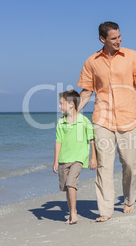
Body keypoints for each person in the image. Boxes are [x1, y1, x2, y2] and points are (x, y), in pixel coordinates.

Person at [77, 21, 136, 222]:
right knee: (104, 166)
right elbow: (87, 90)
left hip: (128, 117)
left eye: (119, 36)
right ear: (102, 39)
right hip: (102, 118)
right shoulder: (92, 61)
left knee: (131, 164)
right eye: (114, 38)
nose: (119, 40)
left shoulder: (132, 56)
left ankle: (129, 200)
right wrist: (74, 112)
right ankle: (105, 210)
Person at [53, 90, 97, 224]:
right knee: (66, 186)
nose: (59, 106)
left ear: (71, 104)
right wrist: (55, 161)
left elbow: (92, 139)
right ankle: (72, 210)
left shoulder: (84, 121)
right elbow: (58, 142)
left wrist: (93, 157)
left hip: (78, 158)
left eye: (61, 104)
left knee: (71, 183)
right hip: (63, 159)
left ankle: (73, 213)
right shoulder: (61, 123)